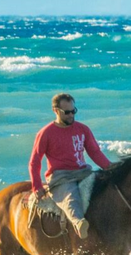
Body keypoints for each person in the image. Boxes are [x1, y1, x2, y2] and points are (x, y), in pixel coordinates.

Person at [28, 93, 111, 239]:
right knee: (71, 197)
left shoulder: (83, 129)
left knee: (110, 187)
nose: (71, 115)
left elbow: (95, 153)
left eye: (73, 111)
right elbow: (35, 161)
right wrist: (37, 187)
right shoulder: (46, 133)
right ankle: (79, 223)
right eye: (67, 112)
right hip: (60, 177)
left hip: (83, 172)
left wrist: (112, 168)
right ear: (55, 110)